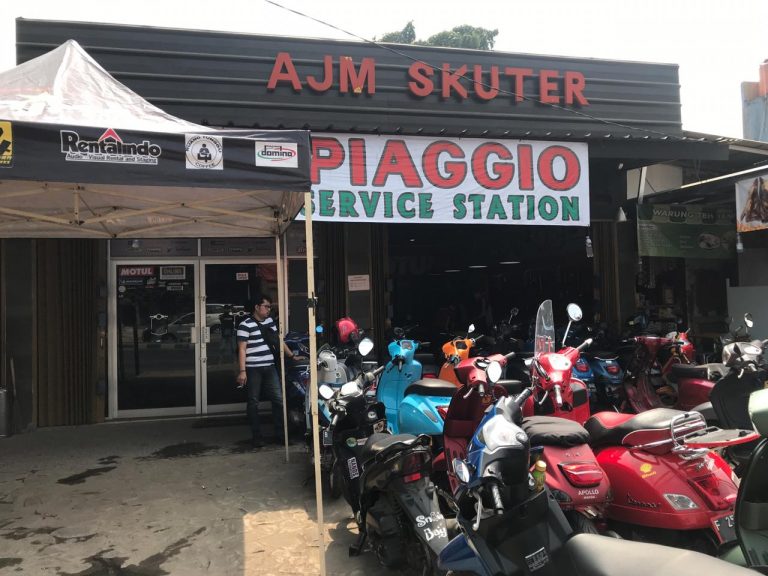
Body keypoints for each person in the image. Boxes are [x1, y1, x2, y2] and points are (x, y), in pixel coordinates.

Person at [236, 294, 297, 448]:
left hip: (269, 366)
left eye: (270, 306)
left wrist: (291, 355)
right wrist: (242, 371)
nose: (269, 309)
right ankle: (257, 437)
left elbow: (278, 340)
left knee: (278, 400)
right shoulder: (245, 325)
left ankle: (281, 435)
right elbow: (242, 349)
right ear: (257, 307)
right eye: (266, 306)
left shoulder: (270, 322)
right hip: (253, 368)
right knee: (253, 402)